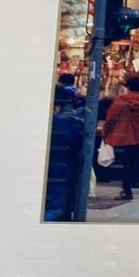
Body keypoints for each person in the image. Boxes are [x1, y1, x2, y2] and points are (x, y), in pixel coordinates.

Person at [102, 77, 139, 200]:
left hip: (121, 133)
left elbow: (111, 117)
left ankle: (126, 189)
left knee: (124, 162)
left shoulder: (121, 100)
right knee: (134, 160)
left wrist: (106, 131)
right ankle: (133, 183)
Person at [44, 86, 83, 221]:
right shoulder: (64, 122)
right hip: (60, 168)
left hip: (54, 167)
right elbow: (76, 141)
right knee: (55, 206)